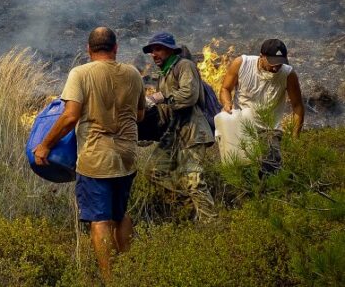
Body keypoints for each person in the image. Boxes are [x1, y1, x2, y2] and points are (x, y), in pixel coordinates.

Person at [33, 27, 145, 282]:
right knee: (121, 214)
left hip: (96, 158)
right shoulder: (133, 74)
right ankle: (128, 271)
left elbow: (70, 116)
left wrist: (45, 145)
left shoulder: (80, 73)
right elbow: (140, 114)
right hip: (127, 156)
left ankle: (109, 278)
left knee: (100, 219)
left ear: (88, 49)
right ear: (116, 48)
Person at [141, 32, 216, 221]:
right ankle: (189, 209)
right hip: (173, 134)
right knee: (153, 171)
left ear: (170, 50)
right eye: (151, 51)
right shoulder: (164, 74)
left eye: (157, 49)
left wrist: (160, 97)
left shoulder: (184, 66)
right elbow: (167, 110)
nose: (153, 54)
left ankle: (213, 225)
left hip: (192, 132)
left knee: (194, 181)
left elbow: (189, 95)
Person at [219, 38, 304, 174]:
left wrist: (295, 138)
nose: (276, 67)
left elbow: (298, 106)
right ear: (261, 56)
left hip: (269, 129)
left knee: (271, 167)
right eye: (272, 63)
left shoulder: (288, 74)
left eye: (280, 64)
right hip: (241, 125)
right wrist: (227, 103)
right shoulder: (242, 64)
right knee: (240, 168)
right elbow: (225, 89)